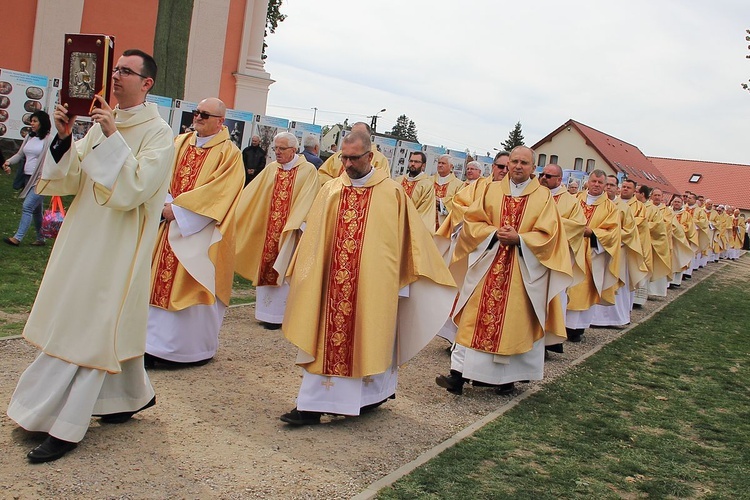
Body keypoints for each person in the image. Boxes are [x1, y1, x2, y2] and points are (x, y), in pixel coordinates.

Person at [6, 49, 175, 463]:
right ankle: (128, 396)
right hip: (83, 236)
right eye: (115, 69)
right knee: (85, 318)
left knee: (92, 326)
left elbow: (137, 185)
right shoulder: (101, 125)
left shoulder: (159, 133)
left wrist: (114, 135)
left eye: (126, 72)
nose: (116, 76)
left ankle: (64, 425)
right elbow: (72, 177)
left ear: (147, 83)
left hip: (118, 244)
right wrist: (65, 137)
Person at [279, 130, 456, 425]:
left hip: (373, 286)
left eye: (353, 158)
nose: (346, 164)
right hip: (331, 286)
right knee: (323, 337)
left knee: (371, 339)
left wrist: (401, 282)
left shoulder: (392, 193)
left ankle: (372, 397)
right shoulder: (331, 189)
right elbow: (314, 239)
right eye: (342, 158)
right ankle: (310, 405)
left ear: (370, 157)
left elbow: (409, 242)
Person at [436, 146, 573, 396]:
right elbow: (473, 222)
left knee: (514, 323)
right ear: (508, 164)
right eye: (514, 162)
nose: (518, 166)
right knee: (472, 316)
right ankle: (457, 375)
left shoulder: (543, 198)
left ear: (533, 168)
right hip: (488, 264)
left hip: (522, 270)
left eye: (524, 163)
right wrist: (493, 234)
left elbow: (550, 236)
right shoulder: (490, 190)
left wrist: (520, 239)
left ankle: (506, 379)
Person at [145, 98, 245, 367]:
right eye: (196, 112)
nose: (198, 117)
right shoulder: (179, 143)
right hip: (167, 226)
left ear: (220, 121)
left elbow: (221, 192)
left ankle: (185, 352)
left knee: (192, 283)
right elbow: (159, 174)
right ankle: (152, 346)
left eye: (204, 114)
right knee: (155, 283)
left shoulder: (230, 154)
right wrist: (164, 204)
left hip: (201, 232)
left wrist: (178, 211)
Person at [234, 132, 319, 329]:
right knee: (266, 267)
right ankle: (265, 313)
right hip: (268, 229)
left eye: (282, 149)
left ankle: (281, 316)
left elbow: (309, 198)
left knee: (284, 269)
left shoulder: (308, 171)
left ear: (294, 150)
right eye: (275, 149)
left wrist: (297, 223)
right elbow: (254, 193)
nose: (277, 153)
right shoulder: (272, 169)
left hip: (289, 232)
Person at [565, 170, 621, 342]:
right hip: (570, 250)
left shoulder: (611, 208)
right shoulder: (573, 200)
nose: (596, 185)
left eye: (600, 182)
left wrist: (593, 233)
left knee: (583, 288)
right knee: (567, 286)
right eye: (594, 181)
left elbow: (613, 233)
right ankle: (561, 325)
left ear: (605, 186)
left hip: (592, 254)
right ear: (587, 182)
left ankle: (577, 329)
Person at [538, 163, 586, 353]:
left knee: (555, 297)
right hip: (533, 255)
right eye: (542, 174)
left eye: (548, 176)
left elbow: (578, 226)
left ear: (559, 179)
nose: (543, 178)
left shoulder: (571, 202)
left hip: (557, 258)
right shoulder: (535, 195)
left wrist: (549, 223)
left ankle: (550, 340)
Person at [589, 176, 647, 327]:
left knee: (614, 283)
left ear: (617, 188)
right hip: (596, 249)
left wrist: (612, 238)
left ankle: (615, 318)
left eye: (612, 185)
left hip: (618, 252)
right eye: (606, 184)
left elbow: (630, 231)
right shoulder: (596, 204)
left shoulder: (624, 208)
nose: (608, 187)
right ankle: (592, 318)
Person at [2, 110, 53, 247]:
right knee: (36, 210)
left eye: (35, 121)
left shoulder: (48, 139)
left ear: (43, 123)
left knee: (27, 206)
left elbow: (52, 160)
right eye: (31, 121)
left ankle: (17, 238)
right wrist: (8, 162)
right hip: (27, 178)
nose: (32, 123)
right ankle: (41, 238)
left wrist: (45, 175)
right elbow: (20, 154)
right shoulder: (29, 137)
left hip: (41, 179)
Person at [317, 122, 389, 185]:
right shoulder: (338, 155)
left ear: (369, 136)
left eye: (361, 135)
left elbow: (383, 184)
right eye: (354, 134)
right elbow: (322, 174)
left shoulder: (380, 159)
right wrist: (337, 185)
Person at [393, 151, 436, 232]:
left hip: (412, 228)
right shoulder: (399, 180)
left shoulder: (427, 185)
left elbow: (425, 211)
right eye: (411, 161)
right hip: (394, 223)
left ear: (423, 165)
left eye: (416, 162)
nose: (412, 164)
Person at [433, 154, 464, 230]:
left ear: (451, 167)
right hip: (428, 223)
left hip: (445, 226)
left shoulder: (459, 185)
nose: (440, 165)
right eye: (439, 163)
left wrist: (440, 203)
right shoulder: (429, 180)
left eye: (443, 163)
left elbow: (458, 205)